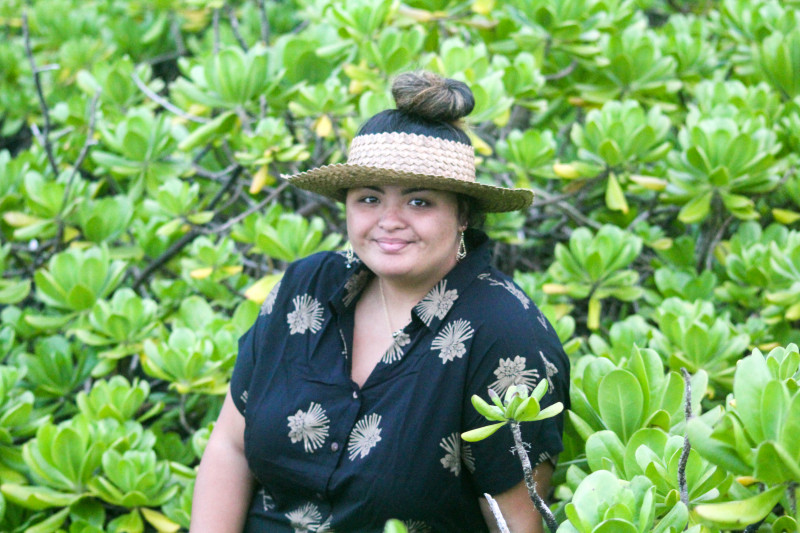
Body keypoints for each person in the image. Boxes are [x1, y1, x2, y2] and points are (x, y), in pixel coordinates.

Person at [190, 71, 570, 533]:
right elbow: (230, 446)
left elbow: (515, 525)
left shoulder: (504, 331)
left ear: (463, 213)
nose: (389, 221)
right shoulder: (305, 286)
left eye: (419, 203)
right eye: (369, 199)